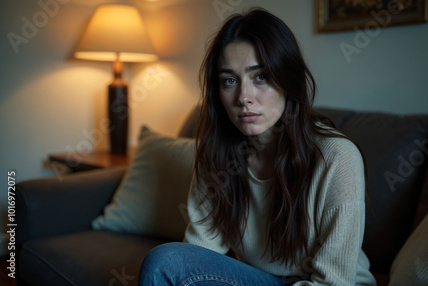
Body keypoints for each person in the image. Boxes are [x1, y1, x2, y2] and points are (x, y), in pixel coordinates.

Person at [139, 8, 376, 286]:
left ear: (288, 81)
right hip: (262, 280)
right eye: (230, 80)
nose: (244, 97)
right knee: (165, 262)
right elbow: (196, 258)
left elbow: (333, 282)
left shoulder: (337, 158)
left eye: (260, 77)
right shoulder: (216, 156)